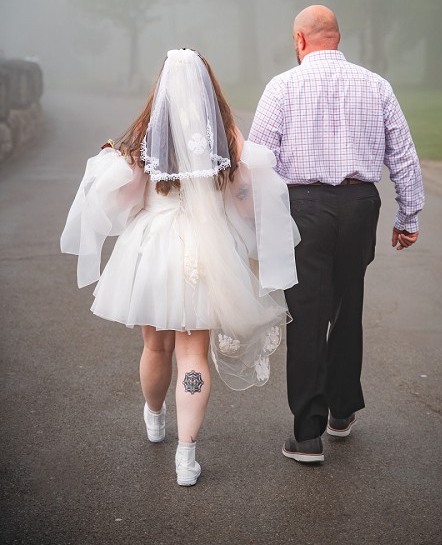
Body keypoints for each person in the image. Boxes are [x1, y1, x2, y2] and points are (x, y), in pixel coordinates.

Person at [61, 49, 299, 485]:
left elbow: (122, 196)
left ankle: (155, 416)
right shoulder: (226, 134)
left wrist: (115, 168)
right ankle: (186, 455)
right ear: (208, 87)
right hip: (206, 253)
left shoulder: (143, 134)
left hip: (153, 247)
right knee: (194, 353)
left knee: (156, 347)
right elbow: (249, 185)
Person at [249, 5, 424, 464]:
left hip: (304, 208)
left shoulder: (282, 87)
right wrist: (408, 217)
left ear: (301, 41)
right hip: (360, 202)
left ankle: (307, 435)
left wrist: (254, 227)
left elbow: (257, 165)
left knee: (306, 314)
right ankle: (342, 412)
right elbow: (403, 154)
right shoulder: (376, 85)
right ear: (337, 38)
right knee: (347, 305)